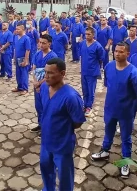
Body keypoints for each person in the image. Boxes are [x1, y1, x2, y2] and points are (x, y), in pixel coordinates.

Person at [91, 42, 137, 179]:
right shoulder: (108, 67)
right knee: (108, 130)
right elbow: (108, 84)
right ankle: (105, 150)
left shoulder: (134, 73)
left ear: (128, 54)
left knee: (125, 137)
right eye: (116, 51)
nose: (117, 54)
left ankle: (126, 160)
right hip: (110, 108)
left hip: (126, 111)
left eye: (121, 52)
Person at [39, 58, 86, 191]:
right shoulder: (44, 88)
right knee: (46, 168)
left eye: (50, 73)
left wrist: (62, 128)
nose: (46, 76)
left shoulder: (71, 97)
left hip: (62, 144)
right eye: (45, 72)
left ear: (62, 73)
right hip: (46, 141)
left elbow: (77, 122)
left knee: (65, 175)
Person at [31, 34, 58, 133]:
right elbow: (33, 68)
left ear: (49, 44)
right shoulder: (37, 54)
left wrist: (40, 83)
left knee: (46, 106)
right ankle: (40, 124)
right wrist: (35, 82)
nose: (41, 45)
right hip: (37, 84)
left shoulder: (53, 56)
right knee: (38, 106)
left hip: (47, 85)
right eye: (40, 42)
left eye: (44, 43)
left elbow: (49, 74)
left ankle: (47, 128)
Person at [80, 27, 105, 116]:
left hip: (92, 72)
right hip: (84, 71)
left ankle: (89, 106)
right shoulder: (83, 44)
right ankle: (85, 104)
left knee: (91, 90)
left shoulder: (97, 46)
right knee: (84, 89)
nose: (86, 36)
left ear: (93, 35)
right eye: (85, 34)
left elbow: (101, 58)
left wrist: (96, 67)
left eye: (89, 34)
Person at [12, 24, 31, 95]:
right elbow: (15, 49)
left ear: (23, 30)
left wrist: (26, 60)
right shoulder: (16, 37)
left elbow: (27, 50)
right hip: (17, 58)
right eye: (16, 29)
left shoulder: (26, 38)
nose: (16, 30)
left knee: (24, 74)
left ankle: (25, 88)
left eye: (18, 29)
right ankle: (19, 87)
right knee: (18, 74)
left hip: (23, 58)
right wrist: (14, 58)